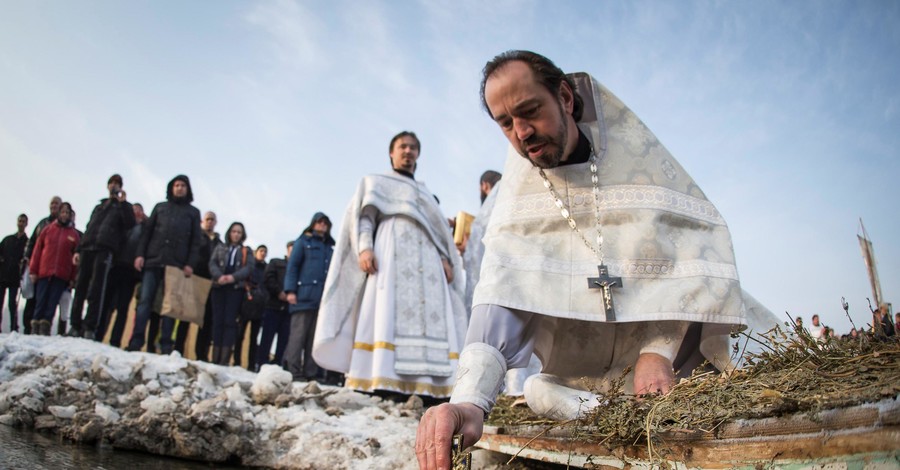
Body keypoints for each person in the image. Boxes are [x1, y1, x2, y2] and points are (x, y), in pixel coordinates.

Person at [416, 51, 753, 469]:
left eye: (530, 111)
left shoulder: (637, 167)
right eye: (505, 123)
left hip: (670, 362)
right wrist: (468, 402)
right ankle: (619, 415)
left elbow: (686, 265)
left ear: (565, 97)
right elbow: (500, 302)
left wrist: (657, 352)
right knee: (538, 390)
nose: (521, 132)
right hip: (588, 379)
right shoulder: (518, 202)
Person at [314, 132, 468, 400]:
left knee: (431, 319)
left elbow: (438, 232)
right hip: (391, 255)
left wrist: (444, 257)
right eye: (403, 146)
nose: (408, 151)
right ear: (392, 152)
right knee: (389, 312)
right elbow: (365, 218)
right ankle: (384, 381)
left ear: (418, 154)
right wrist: (365, 247)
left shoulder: (426, 194)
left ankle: (434, 387)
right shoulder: (376, 182)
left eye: (413, 147)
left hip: (429, 264)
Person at [127, 175, 202, 354]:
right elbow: (147, 233)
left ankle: (166, 345)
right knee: (145, 301)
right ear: (171, 188)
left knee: (171, 306)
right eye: (176, 185)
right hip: (153, 261)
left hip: (176, 266)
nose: (179, 188)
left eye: (183, 185)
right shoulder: (160, 208)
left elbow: (195, 241)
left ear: (187, 189)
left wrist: (190, 263)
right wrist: (140, 255)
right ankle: (136, 342)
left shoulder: (193, 213)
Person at [70, 174, 136, 339]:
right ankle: (75, 325)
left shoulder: (124, 207)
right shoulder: (99, 206)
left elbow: (129, 224)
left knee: (96, 289)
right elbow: (89, 227)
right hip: (88, 248)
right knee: (81, 287)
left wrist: (122, 204)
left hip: (105, 249)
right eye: (112, 183)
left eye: (117, 183)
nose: (114, 186)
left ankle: (89, 327)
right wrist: (78, 249)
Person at [283, 213, 335, 382]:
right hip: (303, 296)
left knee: (314, 338)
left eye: (325, 223)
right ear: (313, 224)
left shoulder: (330, 248)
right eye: (319, 222)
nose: (322, 225)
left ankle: (311, 373)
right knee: (298, 336)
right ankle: (294, 371)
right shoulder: (302, 243)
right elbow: (293, 267)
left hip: (321, 300)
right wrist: (290, 290)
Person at [28, 202, 80, 336]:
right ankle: (35, 325)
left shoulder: (74, 235)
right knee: (40, 300)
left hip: (62, 274)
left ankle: (45, 326)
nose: (64, 215)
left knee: (52, 302)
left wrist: (73, 278)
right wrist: (33, 271)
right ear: (58, 213)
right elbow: (37, 251)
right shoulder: (48, 229)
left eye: (67, 213)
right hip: (44, 271)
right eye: (62, 212)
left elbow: (76, 259)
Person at [99, 202, 146, 347]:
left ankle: (115, 339)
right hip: (115, 266)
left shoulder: (145, 229)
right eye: (133, 210)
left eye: (139, 210)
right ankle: (98, 334)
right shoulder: (124, 224)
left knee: (123, 307)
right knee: (106, 304)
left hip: (130, 272)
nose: (136, 212)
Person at [208, 222, 255, 365]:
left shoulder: (246, 251)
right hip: (219, 287)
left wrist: (233, 277)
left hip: (235, 289)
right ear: (229, 233)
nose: (236, 234)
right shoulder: (221, 247)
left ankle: (224, 358)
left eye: (239, 232)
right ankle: (214, 356)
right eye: (234, 231)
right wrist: (219, 276)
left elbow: (248, 268)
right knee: (217, 321)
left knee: (230, 322)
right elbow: (212, 263)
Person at [21, 196, 62, 334]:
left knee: (48, 299)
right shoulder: (42, 224)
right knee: (33, 298)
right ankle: (29, 327)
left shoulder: (64, 227)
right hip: (39, 267)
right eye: (52, 203)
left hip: (53, 270)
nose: (54, 206)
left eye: (57, 203)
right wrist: (28, 259)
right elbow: (34, 243)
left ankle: (43, 327)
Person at [257, 241, 293, 369]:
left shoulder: (300, 268)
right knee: (267, 337)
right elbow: (268, 279)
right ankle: (261, 363)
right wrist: (278, 292)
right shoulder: (276, 263)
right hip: (273, 305)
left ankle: (278, 364)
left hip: (289, 309)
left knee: (284, 340)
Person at [194, 211, 223, 361]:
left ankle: (201, 353)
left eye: (212, 219)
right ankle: (178, 347)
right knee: (187, 315)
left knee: (206, 320)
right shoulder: (196, 236)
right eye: (207, 219)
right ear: (202, 221)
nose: (210, 222)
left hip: (212, 284)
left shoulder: (219, 243)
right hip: (194, 278)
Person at [234, 244, 268, 370]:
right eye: (261, 251)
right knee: (240, 334)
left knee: (254, 338)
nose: (263, 253)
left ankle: (251, 364)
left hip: (259, 306)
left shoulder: (266, 268)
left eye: (265, 251)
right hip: (246, 304)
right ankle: (237, 362)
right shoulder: (250, 266)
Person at [0, 214, 28, 332]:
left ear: (26, 224)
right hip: (2, 275)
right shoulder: (7, 240)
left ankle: (13, 327)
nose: (21, 223)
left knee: (12, 304)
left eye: (23, 221)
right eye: (20, 221)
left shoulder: (27, 242)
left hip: (15, 277)